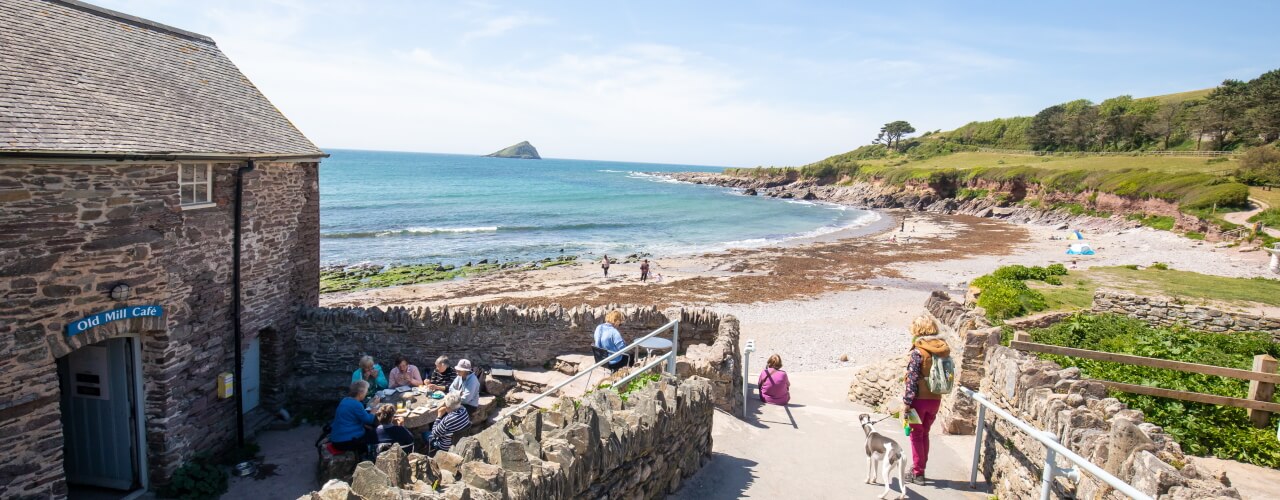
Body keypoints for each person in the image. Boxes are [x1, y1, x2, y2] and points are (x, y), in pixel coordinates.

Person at [902, 315, 951, 485]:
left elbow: (913, 379)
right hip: (935, 399)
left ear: (919, 331)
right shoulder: (942, 349)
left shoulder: (919, 351)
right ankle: (920, 468)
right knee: (924, 434)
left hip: (919, 401)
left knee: (916, 435)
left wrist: (907, 403)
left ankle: (918, 473)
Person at [329, 380, 380, 454]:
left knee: (370, 429)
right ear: (360, 393)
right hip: (345, 441)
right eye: (366, 392)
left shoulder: (345, 400)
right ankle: (369, 456)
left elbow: (355, 417)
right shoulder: (356, 404)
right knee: (376, 434)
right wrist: (374, 408)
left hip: (336, 437)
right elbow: (369, 420)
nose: (366, 393)